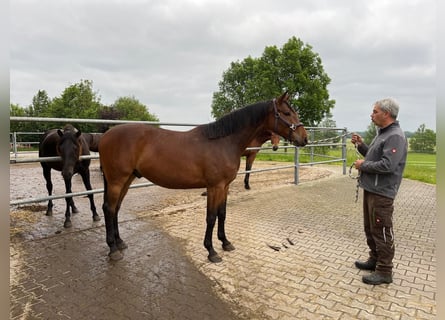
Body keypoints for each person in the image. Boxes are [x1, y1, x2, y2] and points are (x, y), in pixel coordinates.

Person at [351, 98, 407, 285]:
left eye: (375, 111)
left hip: (382, 192)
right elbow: (372, 156)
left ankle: (384, 271)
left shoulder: (395, 136)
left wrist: (363, 165)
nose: (371, 114)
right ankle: (374, 259)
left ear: (386, 113)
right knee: (371, 228)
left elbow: (388, 165)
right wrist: (361, 146)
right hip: (372, 188)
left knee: (382, 230)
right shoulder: (382, 134)